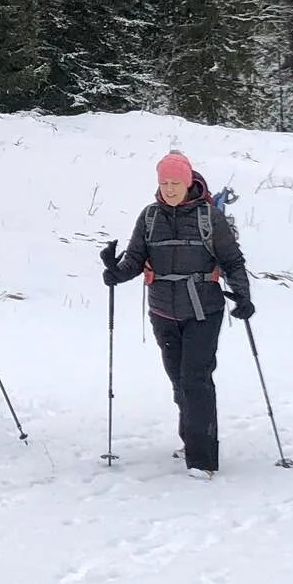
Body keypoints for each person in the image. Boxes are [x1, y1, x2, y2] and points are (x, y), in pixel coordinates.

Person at [100, 152, 253, 480]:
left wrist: (243, 295)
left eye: (175, 183)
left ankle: (202, 459)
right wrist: (115, 271)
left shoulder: (209, 217)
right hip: (162, 312)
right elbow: (135, 260)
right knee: (179, 381)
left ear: (187, 183)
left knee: (196, 380)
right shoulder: (149, 217)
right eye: (164, 183)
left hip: (203, 311)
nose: (169, 189)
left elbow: (232, 260)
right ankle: (192, 440)